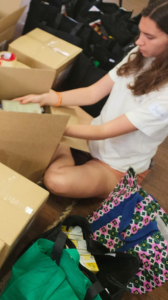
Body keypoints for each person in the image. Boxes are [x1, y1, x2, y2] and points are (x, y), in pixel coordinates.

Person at [13, 0, 168, 199]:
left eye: (149, 36)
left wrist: (56, 128)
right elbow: (92, 93)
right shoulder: (140, 53)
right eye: (140, 33)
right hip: (96, 131)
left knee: (56, 181)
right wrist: (51, 97)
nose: (138, 41)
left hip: (115, 166)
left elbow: (103, 132)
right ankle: (63, 144)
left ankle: (63, 148)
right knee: (45, 103)